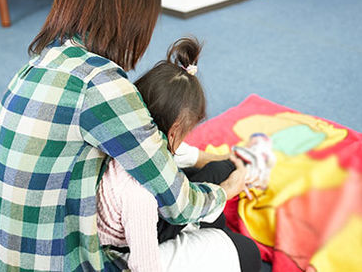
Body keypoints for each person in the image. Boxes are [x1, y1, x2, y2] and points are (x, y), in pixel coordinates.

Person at [0, 0, 247, 271]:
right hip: (70, 261)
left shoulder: (37, 65)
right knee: (243, 253)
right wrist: (226, 191)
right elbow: (177, 202)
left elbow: (147, 153)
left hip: (8, 261)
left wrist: (202, 161)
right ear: (132, 21)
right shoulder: (101, 83)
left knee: (210, 175)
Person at [96, 38, 261, 272]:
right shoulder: (137, 193)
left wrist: (232, 160)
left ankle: (211, 232)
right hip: (129, 244)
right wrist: (228, 191)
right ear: (174, 132)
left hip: (134, 218)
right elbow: (145, 266)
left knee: (219, 170)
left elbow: (188, 156)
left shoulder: (131, 132)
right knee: (248, 253)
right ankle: (214, 240)